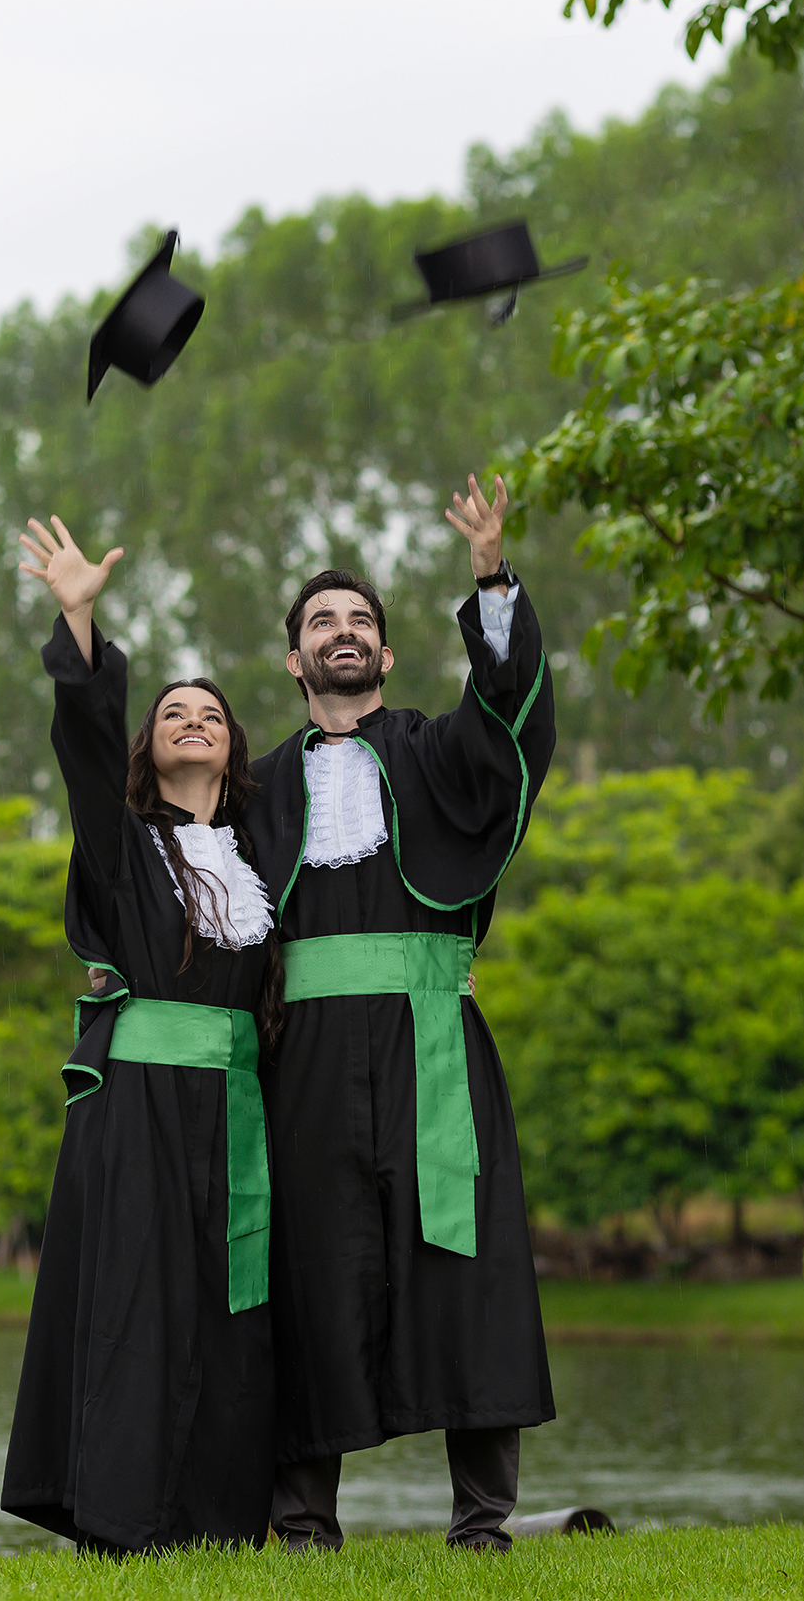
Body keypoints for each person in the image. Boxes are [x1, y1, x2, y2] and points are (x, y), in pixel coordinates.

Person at [243, 471, 557, 1552]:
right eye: (322, 622)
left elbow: (512, 719)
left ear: (384, 653)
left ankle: (481, 1524)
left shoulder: (434, 751)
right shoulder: (260, 788)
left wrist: (490, 574)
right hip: (307, 1058)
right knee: (311, 1263)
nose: (344, 633)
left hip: (433, 1042)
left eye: (361, 621)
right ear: (294, 660)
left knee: (460, 1263)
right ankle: (301, 1526)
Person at [0, 514, 281, 1556]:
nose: (194, 719)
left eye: (211, 712)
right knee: (137, 1306)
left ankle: (219, 1525)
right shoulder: (125, 848)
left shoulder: (263, 861)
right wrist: (81, 621)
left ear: (233, 744)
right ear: (149, 744)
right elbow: (80, 744)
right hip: (140, 1108)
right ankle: (121, 1523)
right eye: (173, 711)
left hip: (238, 1108)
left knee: (230, 1309)